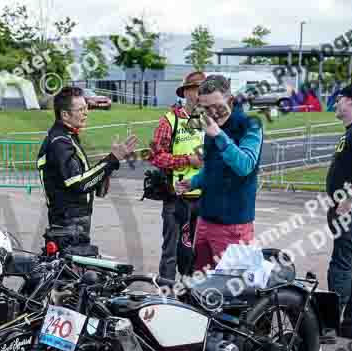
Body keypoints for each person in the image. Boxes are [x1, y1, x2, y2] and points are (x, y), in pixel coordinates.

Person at [176, 75, 264, 272]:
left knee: (232, 287)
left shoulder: (250, 124)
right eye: (205, 108)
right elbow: (212, 168)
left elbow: (245, 165)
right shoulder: (210, 127)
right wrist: (194, 182)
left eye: (215, 106)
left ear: (230, 100)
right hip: (206, 219)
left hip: (233, 223)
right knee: (201, 282)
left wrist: (219, 135)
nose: (210, 113)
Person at [37, 86, 138, 253]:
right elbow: (78, 183)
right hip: (67, 222)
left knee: (73, 274)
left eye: (86, 108)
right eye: (81, 109)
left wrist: (109, 165)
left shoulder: (67, 137)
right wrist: (112, 160)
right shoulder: (60, 142)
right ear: (65, 114)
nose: (86, 113)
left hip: (74, 220)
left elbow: (84, 179)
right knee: (72, 275)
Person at [149, 71, 206, 280]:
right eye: (197, 89)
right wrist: (186, 160)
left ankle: (190, 296)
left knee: (197, 252)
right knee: (171, 252)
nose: (201, 95)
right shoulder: (170, 120)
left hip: (203, 196)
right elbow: (155, 156)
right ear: (186, 92)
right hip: (176, 197)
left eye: (205, 90)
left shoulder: (209, 120)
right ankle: (165, 295)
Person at [324, 83, 352, 340]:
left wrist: (349, 199)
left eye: (339, 98)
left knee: (340, 264)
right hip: (349, 208)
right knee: (351, 263)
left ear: (351, 101)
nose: (336, 102)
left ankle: (329, 325)